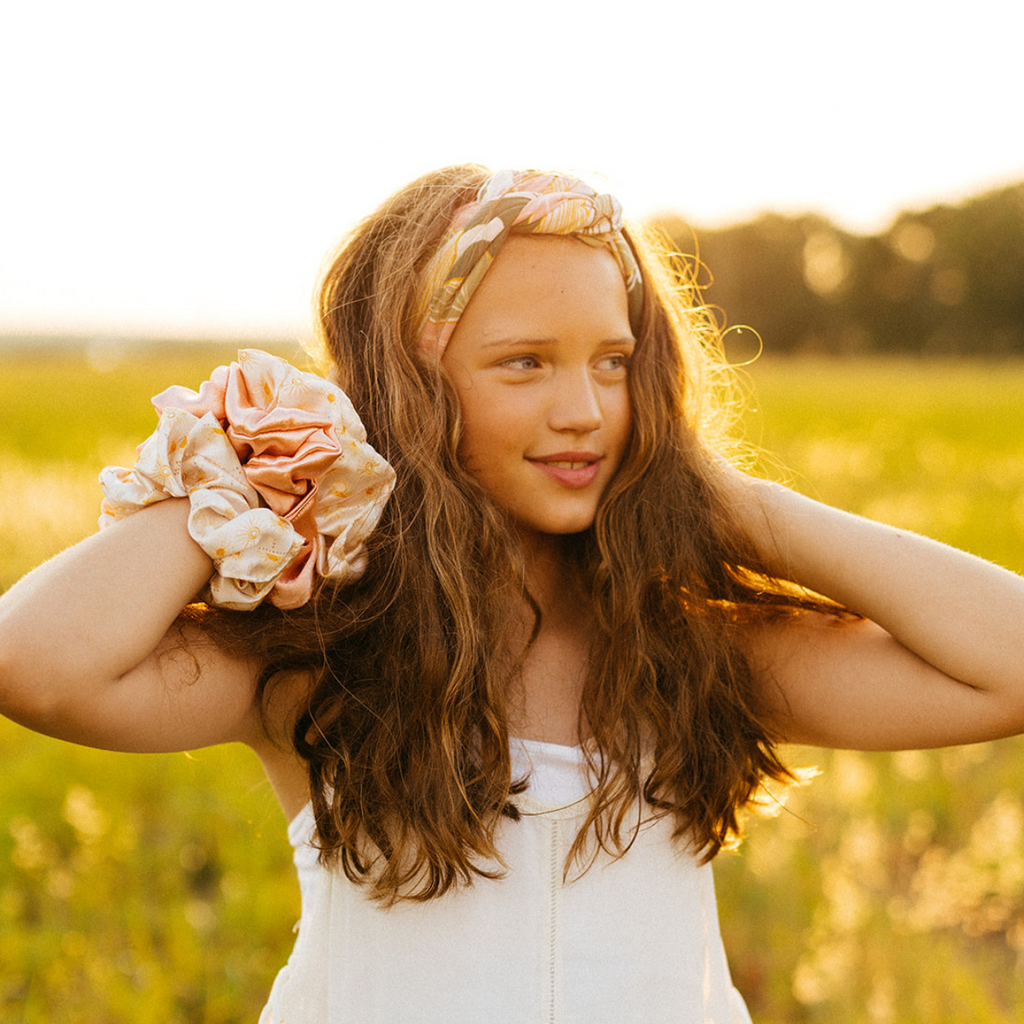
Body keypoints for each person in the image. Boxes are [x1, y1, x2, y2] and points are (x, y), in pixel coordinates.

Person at [1, 165, 1023, 1023]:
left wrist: (732, 502)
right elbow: (36, 664)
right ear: (411, 385)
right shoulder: (322, 659)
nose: (584, 410)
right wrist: (263, 470)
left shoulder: (696, 651)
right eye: (523, 362)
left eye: (614, 363)